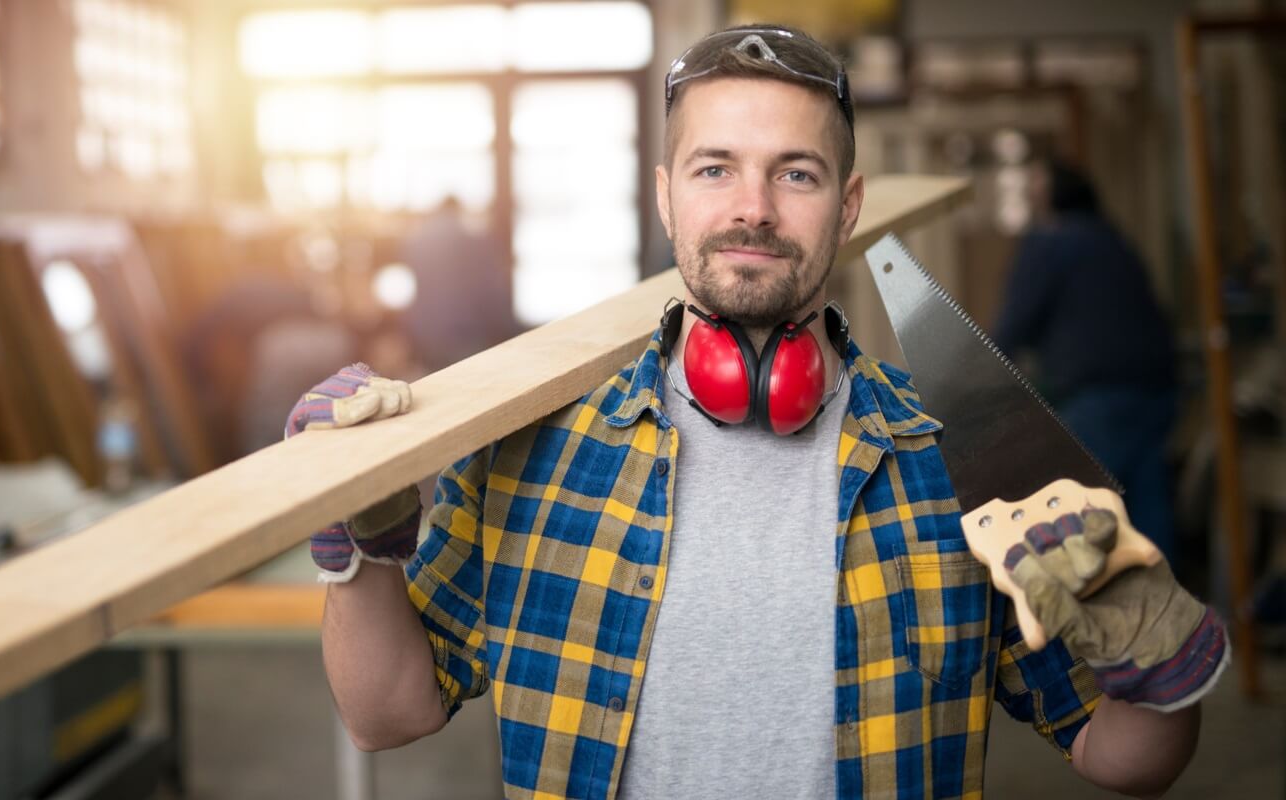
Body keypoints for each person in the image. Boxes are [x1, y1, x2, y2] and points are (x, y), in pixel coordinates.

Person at [288, 26, 1229, 799]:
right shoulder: (533, 445)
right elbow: (388, 714)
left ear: (849, 206)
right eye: (714, 169)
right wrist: (360, 529)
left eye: (797, 173)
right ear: (666, 198)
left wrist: (1163, 670)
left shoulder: (958, 459)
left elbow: (1122, 761)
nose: (754, 209)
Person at [995, 159, 1181, 560]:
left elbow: (1014, 324)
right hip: (1156, 393)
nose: (1030, 198)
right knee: (1148, 516)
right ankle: (1170, 616)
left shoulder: (1051, 242)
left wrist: (978, 379)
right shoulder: (1114, 240)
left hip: (1099, 400)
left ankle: (1107, 620)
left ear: (1052, 197)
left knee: (1087, 524)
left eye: (1036, 189)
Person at [399, 196, 519, 372]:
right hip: (466, 338)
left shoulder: (415, 242)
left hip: (426, 336)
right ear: (458, 210)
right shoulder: (475, 240)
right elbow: (491, 291)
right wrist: (511, 330)